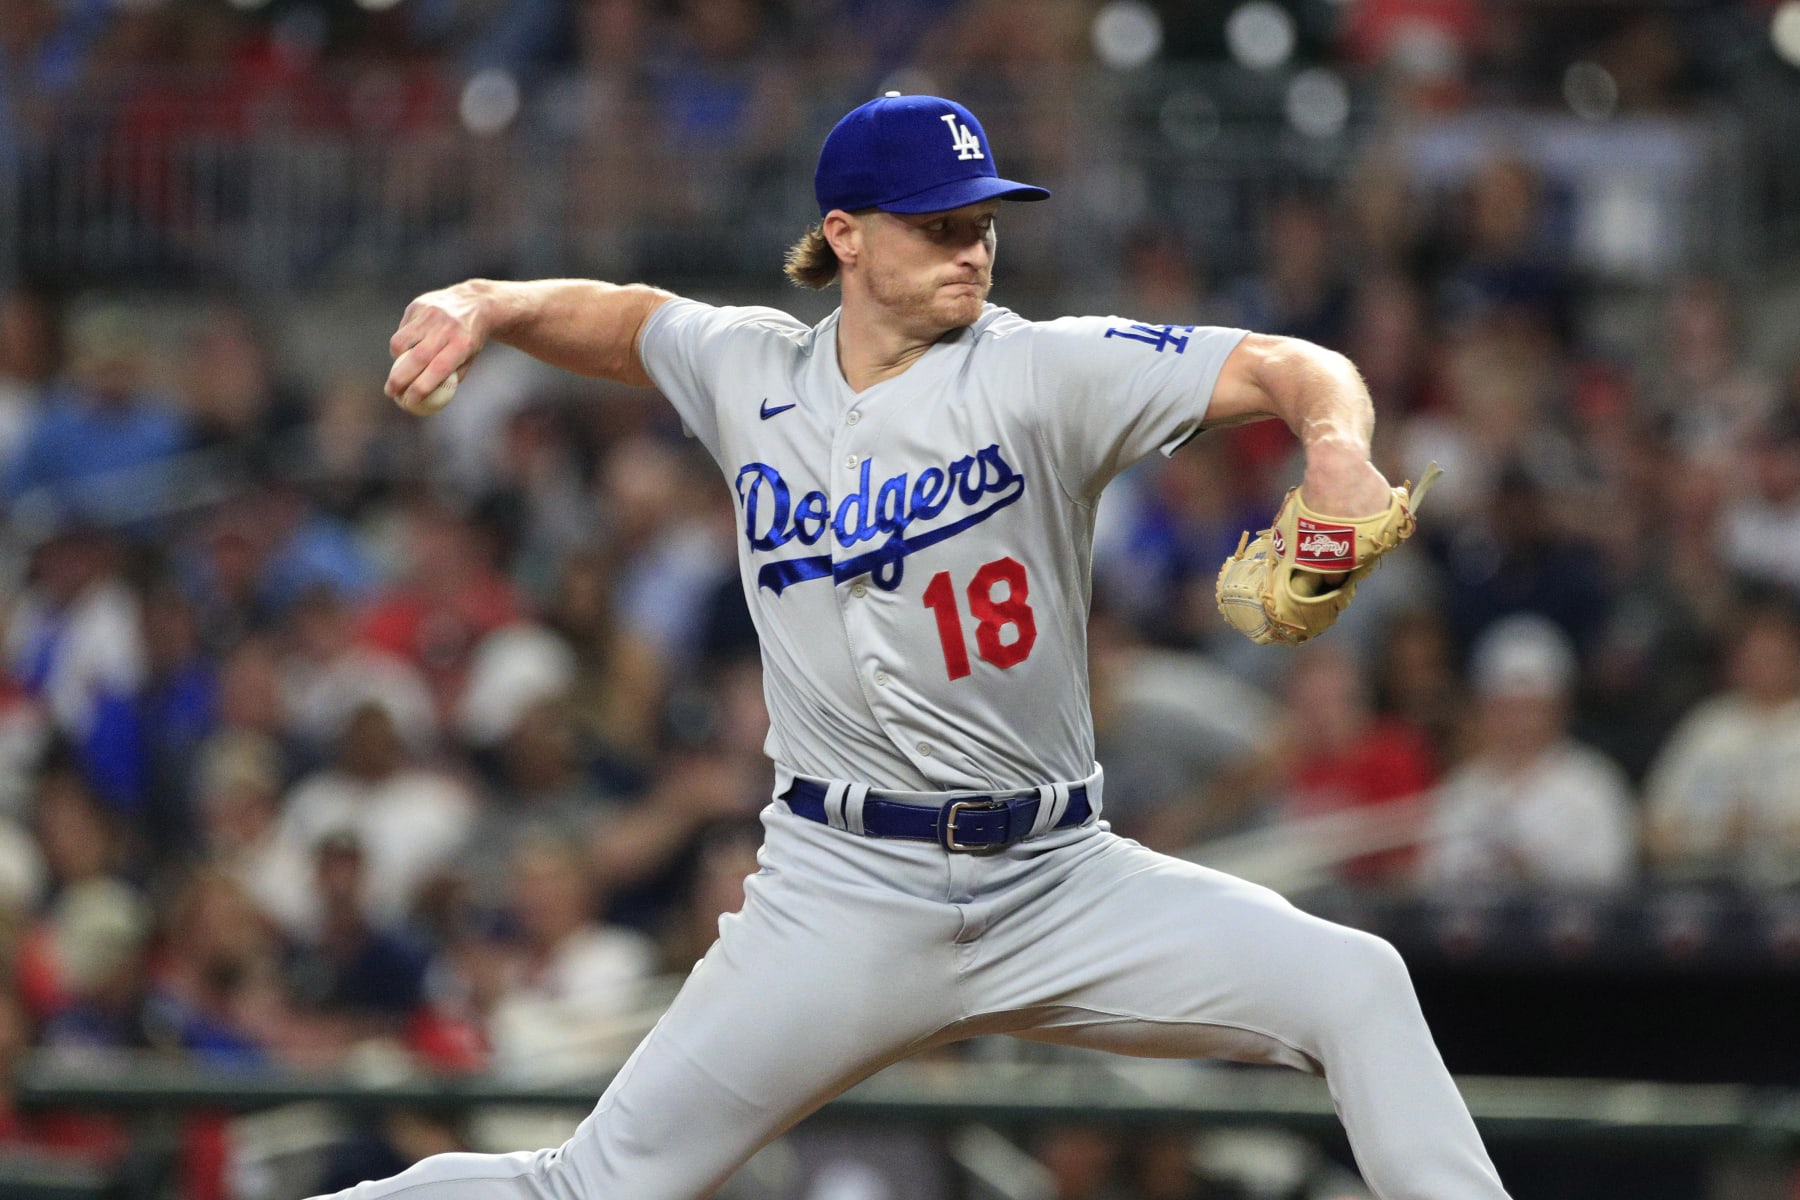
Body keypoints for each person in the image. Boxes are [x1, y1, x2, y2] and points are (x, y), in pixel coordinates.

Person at [326, 94, 1509, 1200]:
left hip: (1057, 878)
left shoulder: (1043, 369)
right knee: (597, 1185)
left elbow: (1287, 364)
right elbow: (630, 321)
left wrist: (1339, 450)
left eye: (983, 222)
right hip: (839, 891)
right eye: (939, 225)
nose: (973, 249)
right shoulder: (752, 369)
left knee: (1359, 987)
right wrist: (487, 299)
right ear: (844, 235)